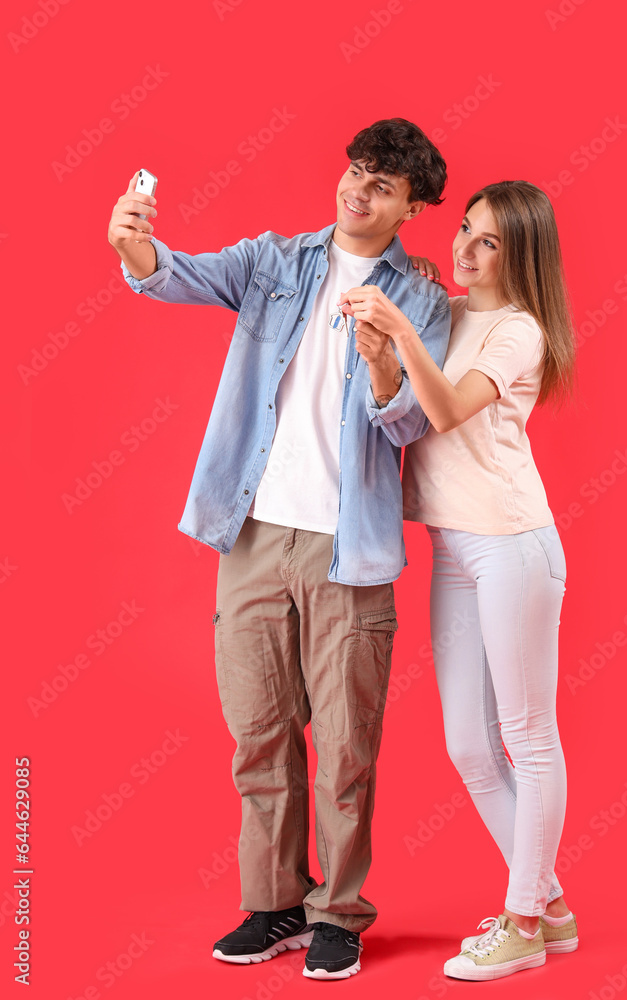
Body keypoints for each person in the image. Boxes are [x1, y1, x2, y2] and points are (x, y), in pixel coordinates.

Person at [107, 118, 450, 981]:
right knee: (258, 732)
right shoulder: (275, 262)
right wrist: (136, 248)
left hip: (352, 551)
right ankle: (274, 906)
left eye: (379, 184)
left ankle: (340, 913)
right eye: (353, 172)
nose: (355, 191)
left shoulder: (421, 301)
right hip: (254, 535)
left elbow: (412, 419)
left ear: (412, 205)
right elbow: (176, 277)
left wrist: (381, 362)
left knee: (342, 745)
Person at [341, 180, 578, 981]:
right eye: (466, 232)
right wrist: (384, 348)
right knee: (468, 745)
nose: (464, 250)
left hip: (512, 545)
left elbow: (442, 413)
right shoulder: (448, 311)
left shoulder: (517, 332)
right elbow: (400, 402)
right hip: (453, 545)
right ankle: (547, 904)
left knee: (526, 736)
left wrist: (401, 328)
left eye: (487, 244)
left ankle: (520, 923)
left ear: (521, 257)